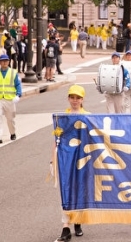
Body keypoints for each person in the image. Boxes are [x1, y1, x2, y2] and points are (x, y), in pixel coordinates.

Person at [53, 84, 88, 241]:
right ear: (68, 98)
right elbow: (56, 140)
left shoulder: (88, 116)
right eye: (72, 97)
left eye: (78, 98)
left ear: (82, 99)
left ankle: (78, 222)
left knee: (80, 190)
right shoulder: (62, 117)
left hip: (83, 159)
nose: (74, 100)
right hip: (66, 158)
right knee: (65, 190)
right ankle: (65, 227)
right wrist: (53, 159)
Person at [0, 54, 22, 145]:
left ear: (9, 62)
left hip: (10, 99)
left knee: (10, 118)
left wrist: (18, 95)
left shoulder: (13, 73)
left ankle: (12, 132)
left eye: (6, 61)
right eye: (2, 61)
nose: (4, 62)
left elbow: (18, 84)